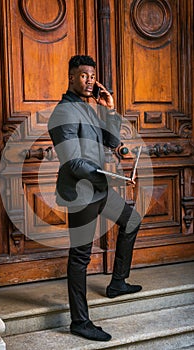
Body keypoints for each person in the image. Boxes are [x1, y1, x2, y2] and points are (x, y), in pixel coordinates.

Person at [48, 55, 142, 342]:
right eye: (84, 75)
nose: (90, 80)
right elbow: (72, 162)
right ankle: (80, 322)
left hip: (99, 187)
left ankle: (117, 283)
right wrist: (110, 175)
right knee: (80, 257)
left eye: (92, 76)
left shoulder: (88, 108)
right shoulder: (63, 112)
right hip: (80, 193)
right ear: (71, 77)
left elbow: (111, 142)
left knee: (131, 221)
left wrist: (110, 111)